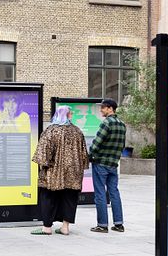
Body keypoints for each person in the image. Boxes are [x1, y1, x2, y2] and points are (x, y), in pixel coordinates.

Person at [30, 106, 89, 235]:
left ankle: (46, 227)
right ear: (68, 115)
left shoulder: (51, 130)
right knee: (69, 198)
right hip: (73, 173)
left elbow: (43, 154)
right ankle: (65, 227)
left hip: (53, 173)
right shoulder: (77, 131)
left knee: (48, 197)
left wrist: (43, 165)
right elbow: (84, 154)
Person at [89, 99, 126, 233]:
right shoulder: (122, 125)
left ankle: (102, 225)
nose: (101, 110)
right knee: (114, 192)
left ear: (110, 109)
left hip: (101, 163)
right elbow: (122, 145)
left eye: (103, 108)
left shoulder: (106, 123)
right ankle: (119, 224)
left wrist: (90, 154)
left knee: (100, 194)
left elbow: (96, 143)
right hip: (113, 164)